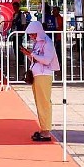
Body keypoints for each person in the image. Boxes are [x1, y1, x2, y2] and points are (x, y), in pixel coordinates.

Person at [17, 10, 59, 143]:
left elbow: (46, 60)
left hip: (43, 75)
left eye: (33, 34)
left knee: (44, 103)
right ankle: (43, 128)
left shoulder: (47, 42)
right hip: (38, 74)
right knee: (40, 102)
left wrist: (32, 54)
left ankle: (46, 131)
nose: (31, 36)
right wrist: (29, 54)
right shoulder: (39, 42)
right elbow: (37, 58)